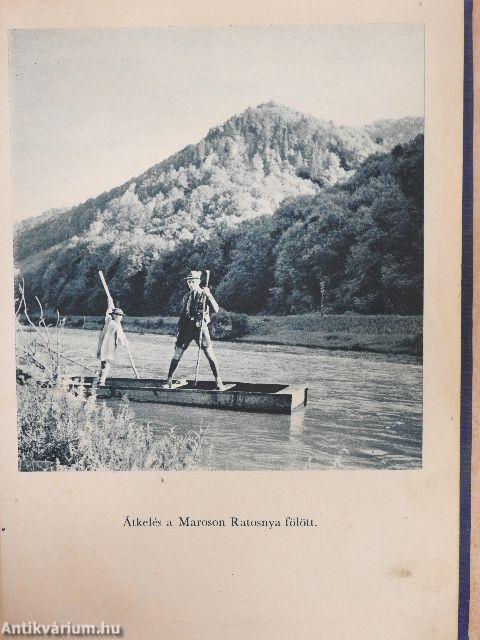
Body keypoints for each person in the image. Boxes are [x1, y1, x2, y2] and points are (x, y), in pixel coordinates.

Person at [165, 270, 226, 390]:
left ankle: (218, 381)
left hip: (201, 328)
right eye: (189, 282)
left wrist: (209, 295)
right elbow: (183, 315)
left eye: (193, 281)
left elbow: (216, 309)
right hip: (186, 328)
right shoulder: (186, 296)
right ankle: (169, 379)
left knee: (209, 354)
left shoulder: (204, 293)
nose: (191, 284)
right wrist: (179, 330)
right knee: (177, 353)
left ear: (198, 282)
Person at [93, 299, 127, 387]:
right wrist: (124, 344)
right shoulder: (115, 325)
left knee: (103, 364)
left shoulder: (108, 321)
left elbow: (108, 313)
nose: (121, 317)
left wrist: (110, 303)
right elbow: (120, 337)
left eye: (121, 316)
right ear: (116, 316)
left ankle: (96, 381)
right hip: (108, 348)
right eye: (119, 315)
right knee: (107, 365)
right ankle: (101, 382)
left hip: (103, 348)